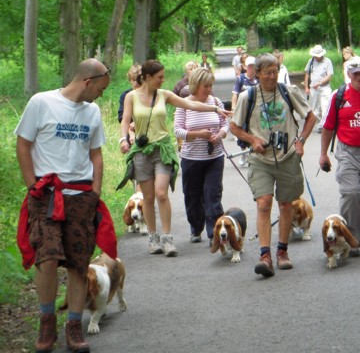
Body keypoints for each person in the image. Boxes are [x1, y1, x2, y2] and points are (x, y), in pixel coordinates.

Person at [15, 58, 114, 352]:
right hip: (46, 195)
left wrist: (95, 190)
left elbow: (96, 154)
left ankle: (73, 326)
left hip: (81, 196)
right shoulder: (41, 103)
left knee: (78, 262)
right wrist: (32, 184)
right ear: (87, 81)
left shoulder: (92, 112)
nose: (101, 94)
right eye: (101, 88)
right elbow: (23, 144)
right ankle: (47, 324)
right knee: (45, 259)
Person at [119, 60, 231, 257]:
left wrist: (215, 109)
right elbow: (126, 120)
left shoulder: (165, 95)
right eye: (159, 77)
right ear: (147, 77)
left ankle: (168, 238)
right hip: (142, 151)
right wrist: (124, 140)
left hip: (162, 149)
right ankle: (153, 237)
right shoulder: (131, 97)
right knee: (149, 197)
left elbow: (189, 104)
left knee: (161, 193)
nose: (163, 80)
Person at [230, 53, 316, 277]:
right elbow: (234, 127)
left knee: (286, 204)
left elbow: (310, 117)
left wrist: (301, 141)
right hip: (260, 159)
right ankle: (265, 255)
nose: (271, 76)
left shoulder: (288, 92)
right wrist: (253, 140)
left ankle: (282, 252)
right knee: (264, 203)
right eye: (267, 72)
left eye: (275, 71)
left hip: (287, 156)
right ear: (256, 73)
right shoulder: (247, 96)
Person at [319, 56, 360, 256]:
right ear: (348, 74)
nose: (359, 77)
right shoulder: (338, 96)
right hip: (347, 152)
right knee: (352, 193)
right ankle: (351, 238)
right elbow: (328, 126)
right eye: (355, 74)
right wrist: (323, 154)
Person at [174, 68, 228, 245]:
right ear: (196, 85)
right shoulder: (183, 103)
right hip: (191, 159)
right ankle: (196, 228)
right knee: (192, 195)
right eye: (206, 86)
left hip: (214, 157)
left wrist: (219, 135)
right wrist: (198, 134)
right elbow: (178, 131)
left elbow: (225, 124)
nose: (209, 90)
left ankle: (215, 232)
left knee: (213, 194)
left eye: (211, 85)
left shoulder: (216, 102)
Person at [232, 56, 259, 166]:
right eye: (249, 66)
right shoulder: (241, 79)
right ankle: (244, 153)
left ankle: (252, 155)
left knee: (254, 132)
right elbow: (235, 94)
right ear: (245, 67)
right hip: (243, 110)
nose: (251, 68)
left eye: (253, 66)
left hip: (255, 111)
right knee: (241, 132)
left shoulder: (259, 79)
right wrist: (234, 108)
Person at [304, 44, 334, 132]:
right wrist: (306, 87)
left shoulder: (327, 61)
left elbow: (329, 76)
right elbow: (307, 74)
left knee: (325, 106)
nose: (317, 57)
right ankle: (321, 123)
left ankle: (325, 125)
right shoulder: (311, 61)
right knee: (315, 108)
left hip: (325, 87)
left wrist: (320, 83)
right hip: (313, 88)